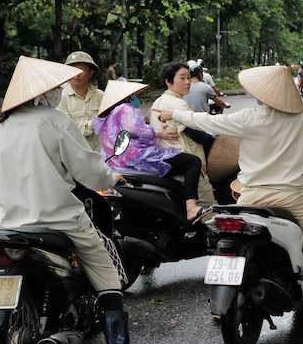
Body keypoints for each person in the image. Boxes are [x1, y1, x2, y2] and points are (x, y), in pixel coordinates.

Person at [0, 56, 149, 344]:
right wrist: (111, 178)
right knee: (105, 269)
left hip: (10, 223)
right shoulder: (55, 121)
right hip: (59, 220)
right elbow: (91, 174)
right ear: (43, 94)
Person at [157, 65, 303, 319]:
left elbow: (207, 121)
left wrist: (173, 113)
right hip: (291, 196)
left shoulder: (249, 118)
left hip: (251, 196)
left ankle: (223, 300)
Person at [94, 79, 208, 223]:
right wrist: (157, 133)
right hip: (138, 158)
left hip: (119, 163)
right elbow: (134, 129)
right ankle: (191, 207)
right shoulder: (125, 108)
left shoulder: (108, 116)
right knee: (192, 161)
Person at [150, 61, 214, 206]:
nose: (188, 82)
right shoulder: (179, 104)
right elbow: (196, 134)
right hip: (185, 164)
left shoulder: (157, 101)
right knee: (208, 208)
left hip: (165, 161)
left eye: (189, 77)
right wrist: (216, 142)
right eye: (182, 78)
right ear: (168, 81)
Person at [55, 51, 106, 151]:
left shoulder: (100, 96)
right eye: (72, 70)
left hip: (100, 154)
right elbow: (67, 129)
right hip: (75, 155)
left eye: (80, 70)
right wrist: (94, 124)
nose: (76, 74)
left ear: (90, 73)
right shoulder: (60, 98)